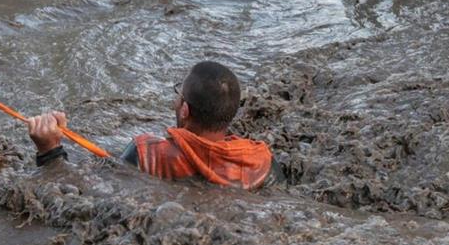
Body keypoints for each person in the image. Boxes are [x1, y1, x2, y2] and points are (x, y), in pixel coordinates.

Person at [27, 61, 275, 190]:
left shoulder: (146, 153)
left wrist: (50, 151)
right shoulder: (260, 160)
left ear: (185, 110)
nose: (176, 100)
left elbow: (85, 192)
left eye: (179, 94)